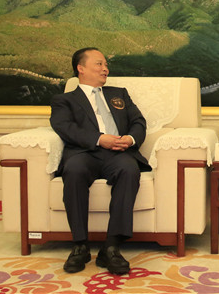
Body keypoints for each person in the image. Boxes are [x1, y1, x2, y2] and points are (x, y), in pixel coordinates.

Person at [50, 47, 150, 275]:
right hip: (84, 153)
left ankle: (112, 247)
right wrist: (98, 139)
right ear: (81, 68)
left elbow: (138, 121)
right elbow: (64, 127)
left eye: (106, 65)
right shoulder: (64, 100)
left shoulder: (119, 94)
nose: (105, 69)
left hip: (118, 153)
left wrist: (130, 139)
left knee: (129, 169)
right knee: (74, 170)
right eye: (99, 64)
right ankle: (80, 245)